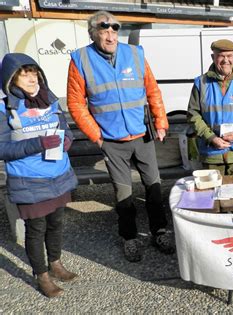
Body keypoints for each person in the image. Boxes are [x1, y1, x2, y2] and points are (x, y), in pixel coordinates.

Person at [66, 11, 174, 262]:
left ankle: (159, 230)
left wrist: (161, 122)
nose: (111, 35)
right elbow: (75, 103)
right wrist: (97, 137)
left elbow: (152, 91)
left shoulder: (135, 54)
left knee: (154, 187)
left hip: (142, 135)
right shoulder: (80, 59)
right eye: (104, 31)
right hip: (112, 141)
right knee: (123, 193)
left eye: (114, 30)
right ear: (93, 33)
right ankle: (130, 237)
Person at [0, 53, 78, 297]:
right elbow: (2, 148)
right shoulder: (6, 108)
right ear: (11, 79)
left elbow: (65, 129)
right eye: (24, 74)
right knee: (37, 228)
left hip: (58, 174)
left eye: (34, 73)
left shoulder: (49, 99)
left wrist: (67, 141)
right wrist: (38, 144)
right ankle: (41, 275)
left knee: (56, 223)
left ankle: (55, 263)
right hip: (29, 179)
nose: (32, 78)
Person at [187, 39, 233, 175]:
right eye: (221, 56)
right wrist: (211, 138)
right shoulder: (201, 83)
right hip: (211, 152)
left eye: (229, 56)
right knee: (212, 193)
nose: (225, 60)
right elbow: (193, 115)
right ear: (213, 57)